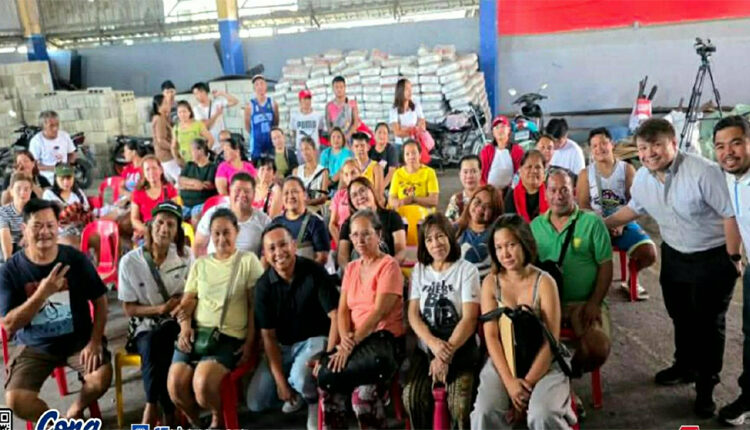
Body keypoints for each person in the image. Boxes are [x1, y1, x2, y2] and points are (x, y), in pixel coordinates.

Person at [605, 118, 740, 418]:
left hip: (712, 258)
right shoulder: (643, 177)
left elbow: (729, 213)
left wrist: (734, 256)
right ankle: (685, 366)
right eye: (643, 148)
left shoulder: (703, 172)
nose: (649, 153)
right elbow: (634, 209)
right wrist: (602, 223)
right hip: (675, 256)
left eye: (656, 146)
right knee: (680, 315)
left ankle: (706, 387)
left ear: (674, 144)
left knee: (709, 325)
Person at [0, 199, 112, 422]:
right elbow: (9, 324)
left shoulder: (75, 259)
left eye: (50, 225)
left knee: (101, 377)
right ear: (24, 229)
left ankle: (75, 410)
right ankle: (58, 423)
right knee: (16, 399)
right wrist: (42, 293)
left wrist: (95, 341)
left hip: (78, 341)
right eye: (37, 226)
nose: (45, 232)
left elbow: (100, 300)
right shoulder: (10, 270)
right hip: (35, 345)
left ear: (58, 227)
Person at [470, 214, 575, 430]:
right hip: (504, 360)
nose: (505, 253)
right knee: (484, 411)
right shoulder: (490, 283)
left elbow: (551, 342)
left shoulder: (545, 282)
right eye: (499, 247)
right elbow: (491, 337)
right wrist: (510, 383)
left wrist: (525, 386)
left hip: (544, 361)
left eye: (511, 245)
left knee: (542, 414)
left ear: (525, 243)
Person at [167, 208, 263, 429]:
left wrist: (250, 343)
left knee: (203, 386)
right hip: (195, 334)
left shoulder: (247, 261)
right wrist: (185, 327)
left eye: (226, 232)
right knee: (175, 385)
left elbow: (254, 307)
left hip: (227, 337)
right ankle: (195, 422)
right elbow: (188, 301)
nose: (221, 239)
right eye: (216, 233)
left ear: (236, 232)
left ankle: (218, 418)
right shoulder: (200, 264)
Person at [247, 224, 340, 430]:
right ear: (265, 255)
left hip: (314, 341)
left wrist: (328, 355)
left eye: (283, 245)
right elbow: (268, 337)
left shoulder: (314, 271)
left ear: (294, 245)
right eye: (272, 248)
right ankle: (295, 391)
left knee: (301, 377)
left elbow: (335, 316)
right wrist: (280, 381)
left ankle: (312, 399)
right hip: (284, 347)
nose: (279, 252)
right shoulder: (263, 286)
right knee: (256, 401)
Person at [318, 209, 405, 429]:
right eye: (355, 235)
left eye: (366, 234)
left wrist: (350, 345)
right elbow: (342, 310)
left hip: (382, 342)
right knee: (329, 391)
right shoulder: (352, 268)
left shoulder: (389, 266)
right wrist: (344, 341)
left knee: (361, 398)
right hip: (354, 343)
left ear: (379, 234)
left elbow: (378, 314)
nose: (360, 240)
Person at [531, 169, 612, 378]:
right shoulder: (535, 227)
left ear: (574, 191)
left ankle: (569, 373)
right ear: (545, 194)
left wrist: (594, 302)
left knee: (598, 348)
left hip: (585, 303)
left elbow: (606, 266)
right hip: (546, 305)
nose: (558, 196)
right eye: (553, 190)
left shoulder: (592, 223)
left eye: (564, 190)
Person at [403, 213, 480, 429]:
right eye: (429, 239)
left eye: (440, 236)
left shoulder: (467, 270)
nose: (435, 244)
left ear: (450, 237)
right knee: (412, 398)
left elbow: (469, 319)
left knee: (459, 406)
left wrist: (446, 354)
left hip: (460, 348)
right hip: (427, 349)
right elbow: (413, 315)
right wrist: (433, 345)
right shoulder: (419, 270)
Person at [118, 201, 191, 426]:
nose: (164, 229)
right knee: (153, 342)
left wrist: (179, 306)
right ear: (150, 226)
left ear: (177, 231)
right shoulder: (130, 262)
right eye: (160, 223)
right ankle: (168, 409)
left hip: (176, 322)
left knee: (161, 339)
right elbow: (129, 309)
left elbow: (192, 294)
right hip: (144, 324)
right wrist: (159, 309)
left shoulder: (186, 256)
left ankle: (152, 407)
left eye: (171, 224)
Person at [576, 127, 656, 300]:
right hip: (595, 224)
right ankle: (591, 284)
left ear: (612, 144)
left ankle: (632, 277)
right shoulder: (585, 174)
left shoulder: (627, 169)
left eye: (603, 143)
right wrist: (600, 225)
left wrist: (621, 223)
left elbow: (635, 203)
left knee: (649, 253)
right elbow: (583, 206)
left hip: (624, 222)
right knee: (577, 250)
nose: (599, 149)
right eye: (594, 146)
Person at [713, 116, 750, 424]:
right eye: (720, 146)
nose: (728, 152)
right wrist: (734, 254)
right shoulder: (729, 177)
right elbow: (734, 216)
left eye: (736, 143)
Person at [194, 173, 271, 257]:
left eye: (247, 191)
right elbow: (199, 245)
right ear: (230, 192)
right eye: (237, 190)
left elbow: (267, 254)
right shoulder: (213, 214)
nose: (242, 195)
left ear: (254, 194)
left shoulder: (264, 221)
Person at [337, 176, 406, 268]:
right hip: (357, 271)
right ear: (351, 202)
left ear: (372, 191)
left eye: (362, 190)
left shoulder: (392, 216)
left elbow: (401, 251)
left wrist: (388, 267)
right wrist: (351, 272)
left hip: (387, 268)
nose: (360, 196)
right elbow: (342, 256)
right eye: (354, 195)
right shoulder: (348, 223)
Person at [274, 177, 330, 266]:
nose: (290, 196)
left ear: (304, 195)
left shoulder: (315, 222)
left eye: (294, 192)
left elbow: (322, 258)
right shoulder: (275, 223)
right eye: (286, 193)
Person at [455, 185, 502, 279]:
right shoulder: (453, 230)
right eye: (477, 202)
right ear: (470, 201)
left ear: (495, 212)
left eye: (488, 207)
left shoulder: (498, 236)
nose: (480, 209)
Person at [42, 163, 92, 249]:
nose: (66, 182)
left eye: (69, 178)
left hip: (79, 229)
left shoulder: (78, 193)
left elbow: (87, 211)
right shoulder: (49, 194)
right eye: (62, 179)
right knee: (73, 243)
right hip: (59, 233)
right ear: (56, 179)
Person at [131, 156, 179, 241]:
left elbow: (175, 214)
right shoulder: (138, 193)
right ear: (143, 173)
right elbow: (134, 219)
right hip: (147, 232)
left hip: (166, 232)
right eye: (147, 169)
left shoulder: (170, 190)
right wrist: (146, 230)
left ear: (161, 170)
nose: (151, 172)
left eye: (154, 168)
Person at [388, 139, 439, 209]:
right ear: (404, 157)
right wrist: (399, 202)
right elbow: (391, 200)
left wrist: (413, 199)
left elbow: (434, 200)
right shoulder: (397, 174)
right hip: (402, 213)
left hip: (423, 214)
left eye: (414, 153)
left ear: (420, 155)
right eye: (407, 154)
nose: (411, 157)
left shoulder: (429, 172)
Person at [28, 111, 76, 184]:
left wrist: (68, 166)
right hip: (47, 180)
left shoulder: (65, 136)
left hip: (65, 177)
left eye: (57, 125)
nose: (55, 128)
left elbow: (72, 153)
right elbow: (32, 164)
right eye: (51, 126)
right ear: (43, 127)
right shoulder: (36, 141)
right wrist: (54, 168)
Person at [480, 115, 524, 192]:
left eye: (503, 126)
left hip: (511, 192)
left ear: (509, 130)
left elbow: (520, 173)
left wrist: (510, 191)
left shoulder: (517, 150)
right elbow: (482, 174)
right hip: (489, 191)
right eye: (497, 127)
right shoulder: (486, 150)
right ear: (493, 132)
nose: (500, 130)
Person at [178, 138, 218, 224]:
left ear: (200, 151)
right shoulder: (189, 165)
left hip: (201, 203)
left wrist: (186, 185)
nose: (190, 153)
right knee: (174, 217)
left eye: (192, 150)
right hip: (185, 204)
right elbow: (180, 181)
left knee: (195, 219)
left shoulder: (212, 167)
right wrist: (195, 183)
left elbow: (206, 185)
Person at [191, 82, 239, 151]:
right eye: (195, 94)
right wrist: (217, 114)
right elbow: (205, 126)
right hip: (209, 144)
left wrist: (222, 93)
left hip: (222, 143)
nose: (197, 96)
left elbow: (235, 101)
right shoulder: (196, 109)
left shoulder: (216, 103)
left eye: (199, 92)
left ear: (205, 92)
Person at [505, 150, 549, 223]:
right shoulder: (511, 196)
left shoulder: (551, 194)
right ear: (520, 170)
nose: (534, 171)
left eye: (538, 167)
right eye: (529, 167)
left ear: (544, 172)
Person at [245, 74, 279, 161]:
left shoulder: (273, 103)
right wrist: (255, 135)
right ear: (254, 88)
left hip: (270, 142)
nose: (260, 86)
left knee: (272, 165)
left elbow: (276, 122)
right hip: (257, 145)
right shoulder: (249, 106)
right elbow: (247, 126)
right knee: (257, 166)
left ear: (266, 86)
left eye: (262, 83)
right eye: (257, 84)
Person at [0, 173, 32, 263]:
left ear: (30, 191)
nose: (23, 193)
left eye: (26, 189)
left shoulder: (36, 211)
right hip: (10, 257)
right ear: (11, 191)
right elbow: (5, 236)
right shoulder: (3, 211)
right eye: (18, 189)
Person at [294, 137, 329, 216]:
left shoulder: (323, 172)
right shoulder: (296, 171)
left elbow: (323, 198)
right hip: (299, 209)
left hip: (315, 210)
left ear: (314, 150)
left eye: (307, 149)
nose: (304, 152)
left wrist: (307, 203)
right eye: (302, 150)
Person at [172, 101, 214, 167]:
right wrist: (177, 159)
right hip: (185, 163)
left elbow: (211, 140)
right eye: (179, 112)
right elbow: (173, 146)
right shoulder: (176, 128)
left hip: (198, 162)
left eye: (184, 111)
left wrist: (203, 155)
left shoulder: (198, 124)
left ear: (189, 112)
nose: (182, 114)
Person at [329, 159, 360, 245]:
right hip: (341, 239)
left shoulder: (366, 194)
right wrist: (341, 245)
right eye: (346, 174)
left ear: (360, 173)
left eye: (353, 173)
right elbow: (332, 225)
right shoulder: (339, 195)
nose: (350, 177)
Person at [151, 94, 181, 184]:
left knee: (172, 182)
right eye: (166, 103)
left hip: (165, 156)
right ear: (159, 106)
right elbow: (161, 140)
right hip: (167, 156)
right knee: (181, 180)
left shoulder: (163, 117)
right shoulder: (159, 119)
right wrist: (174, 148)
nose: (169, 105)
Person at [389, 78, 426, 148]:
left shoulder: (416, 104)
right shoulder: (394, 110)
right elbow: (397, 133)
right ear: (400, 91)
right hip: (400, 145)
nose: (410, 91)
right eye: (407, 89)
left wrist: (404, 129)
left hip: (415, 142)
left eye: (410, 88)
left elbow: (423, 126)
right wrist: (414, 129)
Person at [290, 89, 326, 157]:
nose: (307, 101)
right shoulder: (294, 116)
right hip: (301, 149)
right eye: (305, 99)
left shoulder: (318, 115)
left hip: (314, 148)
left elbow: (320, 130)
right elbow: (294, 132)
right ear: (300, 100)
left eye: (309, 98)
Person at [446, 155, 482, 223]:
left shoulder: (489, 198)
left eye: (474, 171)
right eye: (465, 172)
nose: (469, 176)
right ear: (460, 175)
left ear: (480, 173)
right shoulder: (456, 200)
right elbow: (447, 225)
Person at [325, 76, 362, 141]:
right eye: (336, 87)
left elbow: (355, 123)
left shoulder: (352, 104)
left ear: (345, 87)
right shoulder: (329, 106)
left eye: (341, 87)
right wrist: (335, 137)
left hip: (349, 139)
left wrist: (346, 136)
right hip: (335, 140)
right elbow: (329, 125)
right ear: (333, 88)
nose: (339, 89)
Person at [352, 131, 384, 203]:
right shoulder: (349, 166)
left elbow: (378, 195)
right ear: (352, 148)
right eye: (356, 146)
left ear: (368, 147)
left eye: (362, 145)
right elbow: (341, 190)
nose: (360, 149)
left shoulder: (376, 167)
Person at [369, 122, 399, 189]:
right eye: (379, 132)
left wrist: (380, 188)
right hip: (372, 186)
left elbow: (391, 172)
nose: (382, 136)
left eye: (384, 133)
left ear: (388, 136)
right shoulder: (370, 150)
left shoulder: (391, 150)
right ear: (374, 134)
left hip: (387, 187)